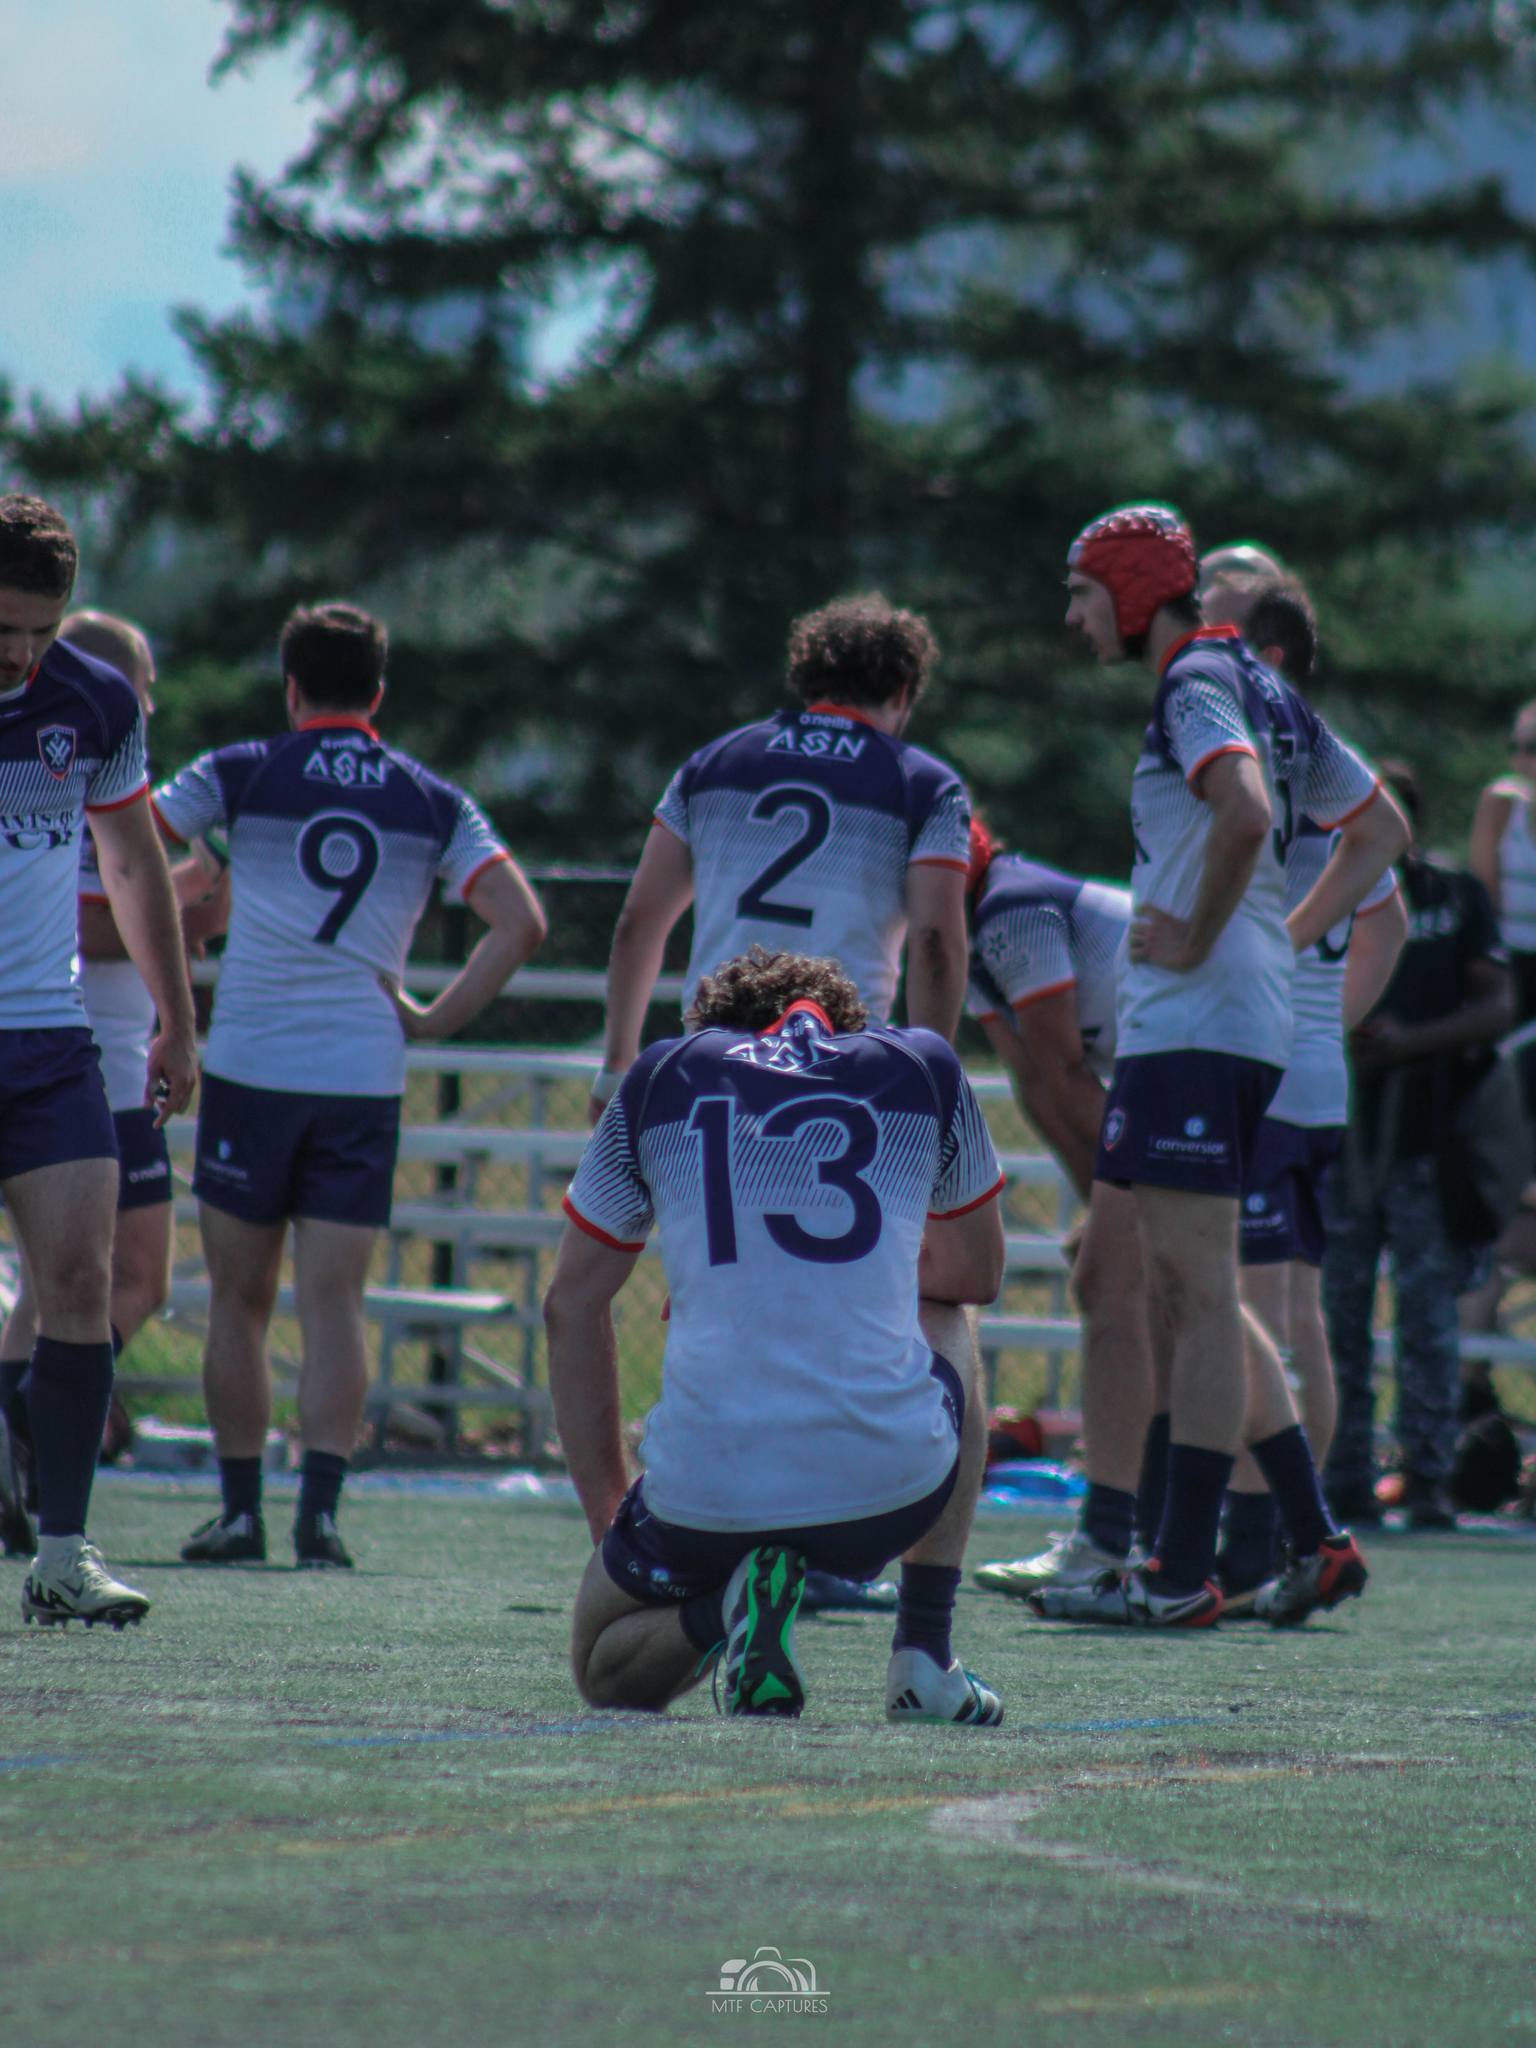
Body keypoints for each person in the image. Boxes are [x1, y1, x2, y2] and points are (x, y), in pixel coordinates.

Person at [1035, 503, 1403, 1628]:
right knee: (1188, 1285)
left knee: (1194, 1291)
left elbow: (1243, 810)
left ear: (1139, 590)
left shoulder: (1195, 678)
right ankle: (1292, 1534)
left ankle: (1180, 1570)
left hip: (1199, 1015)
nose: (1073, 616)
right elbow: (1380, 829)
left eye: (1086, 593)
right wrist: (1271, 938)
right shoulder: (1256, 677)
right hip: (1224, 1014)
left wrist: (1202, 935)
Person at [152, 602, 547, 1569]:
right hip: (362, 1074)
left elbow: (127, 839)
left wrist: (180, 911)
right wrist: (433, 1016)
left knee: (240, 1303)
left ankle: (240, 1512)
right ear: (379, 693)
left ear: (291, 689)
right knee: (337, 1304)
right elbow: (522, 921)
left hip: (251, 1067)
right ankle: (319, 1516)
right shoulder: (431, 797)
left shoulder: (241, 770)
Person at [544, 946, 1007, 1722]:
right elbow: (976, 1273)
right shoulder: (925, 1064)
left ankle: (724, 1606)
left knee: (604, 1670)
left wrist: (611, 1521)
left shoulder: (661, 1075)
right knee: (944, 1311)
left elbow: (570, 1306)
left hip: (705, 1489)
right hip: (888, 1486)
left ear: (715, 1028)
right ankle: (924, 1651)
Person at [0, 494, 198, 1629]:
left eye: (43, 627)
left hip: (47, 1039)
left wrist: (177, 1017)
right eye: (3, 628)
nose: (24, 652)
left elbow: (134, 864)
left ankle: (63, 1554)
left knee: (80, 1282)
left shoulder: (98, 700)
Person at [1195, 568, 1408, 1603]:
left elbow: (1386, 906)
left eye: (1219, 619)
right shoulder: (1314, 762)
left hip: (1274, 1075)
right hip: (1303, 1073)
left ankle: (1264, 1536)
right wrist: (1332, 1018)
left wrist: (1292, 997)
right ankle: (1284, 1524)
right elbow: (1389, 916)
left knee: (1257, 1307)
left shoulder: (1281, 761)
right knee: (1289, 1308)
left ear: (1264, 655)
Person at [591, 593, 972, 1122]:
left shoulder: (713, 763)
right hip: (845, 1057)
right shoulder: (926, 785)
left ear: (808, 677)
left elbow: (638, 924)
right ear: (904, 692)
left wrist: (616, 1066)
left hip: (714, 1051)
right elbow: (935, 944)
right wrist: (933, 1080)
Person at [958, 825, 1161, 1599]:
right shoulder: (981, 923)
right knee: (1136, 1287)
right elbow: (1035, 1087)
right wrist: (1098, 1196)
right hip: (1164, 1072)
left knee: (1130, 1290)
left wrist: (1122, 1186)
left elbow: (1065, 1066)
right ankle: (1162, 1523)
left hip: (1188, 1065)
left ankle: (1121, 1534)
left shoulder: (1011, 908)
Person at [1322, 761, 1514, 1530]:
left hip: (1429, 1144)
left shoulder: (1452, 897)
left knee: (1428, 1323)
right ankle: (1342, 1482)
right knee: (1337, 1321)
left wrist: (1408, 1043)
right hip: (1337, 1139)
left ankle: (1428, 1480)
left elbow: (1497, 1006)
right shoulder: (1320, 895)